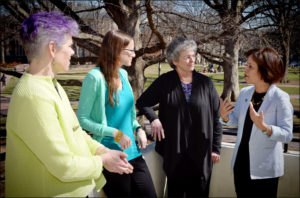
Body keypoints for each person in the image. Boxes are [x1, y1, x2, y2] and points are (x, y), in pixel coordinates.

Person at [5, 12, 133, 197]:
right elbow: (62, 166)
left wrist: (102, 150)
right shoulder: (33, 95)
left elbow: (75, 132)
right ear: (52, 49)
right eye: (70, 46)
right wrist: (103, 160)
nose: (73, 52)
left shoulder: (52, 85)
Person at [136, 37, 223, 197]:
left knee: (200, 192)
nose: (193, 60)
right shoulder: (164, 82)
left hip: (201, 152)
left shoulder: (206, 84)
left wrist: (216, 147)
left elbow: (215, 118)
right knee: (176, 193)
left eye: (193, 55)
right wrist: (154, 119)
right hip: (174, 151)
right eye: (187, 57)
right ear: (175, 60)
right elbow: (143, 102)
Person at [77, 30, 156, 198]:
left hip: (133, 152)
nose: (134, 55)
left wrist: (138, 129)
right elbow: (83, 119)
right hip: (110, 155)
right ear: (117, 51)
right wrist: (115, 133)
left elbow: (128, 114)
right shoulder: (95, 78)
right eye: (131, 50)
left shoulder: (124, 74)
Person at [219, 47, 293, 197]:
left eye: (250, 66)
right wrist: (225, 116)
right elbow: (235, 121)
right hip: (241, 165)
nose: (245, 69)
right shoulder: (246, 93)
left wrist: (265, 128)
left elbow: (287, 134)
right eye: (246, 65)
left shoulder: (280, 97)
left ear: (265, 70)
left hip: (265, 172)